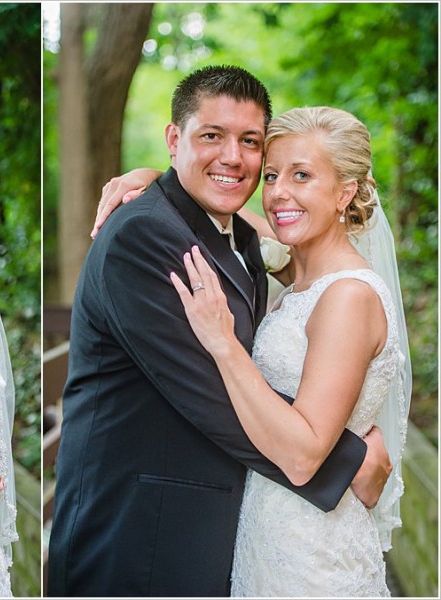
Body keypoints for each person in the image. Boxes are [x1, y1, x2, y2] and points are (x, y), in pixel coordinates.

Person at [46, 65, 392, 597]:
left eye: (250, 143)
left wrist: (157, 177)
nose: (234, 158)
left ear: (346, 193)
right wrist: (348, 461)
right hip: (139, 540)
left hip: (249, 534)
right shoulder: (146, 237)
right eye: (211, 136)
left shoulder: (239, 239)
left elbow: (275, 239)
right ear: (173, 138)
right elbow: (212, 394)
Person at [169, 106, 410, 596]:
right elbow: (232, 212)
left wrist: (222, 343)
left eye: (302, 175)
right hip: (269, 533)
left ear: (345, 192)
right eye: (273, 174)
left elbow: (303, 456)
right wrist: (154, 177)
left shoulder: (348, 296)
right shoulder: (303, 279)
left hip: (314, 555)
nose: (279, 192)